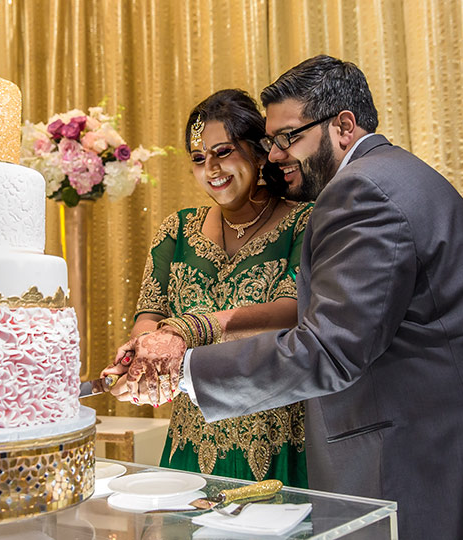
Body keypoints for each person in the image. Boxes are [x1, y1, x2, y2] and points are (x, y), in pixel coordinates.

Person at [110, 56, 463, 540]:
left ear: (343, 126)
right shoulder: (399, 175)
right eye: (272, 141)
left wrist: (186, 369)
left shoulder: (360, 191)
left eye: (289, 137)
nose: (278, 155)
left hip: (425, 449)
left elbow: (329, 347)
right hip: (447, 434)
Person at [103, 89, 312, 486]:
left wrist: (187, 329)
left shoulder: (304, 222)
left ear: (258, 151)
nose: (211, 168)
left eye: (223, 151)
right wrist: (142, 352)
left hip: (277, 436)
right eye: (199, 159)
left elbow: (292, 311)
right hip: (191, 438)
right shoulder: (176, 230)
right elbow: (149, 315)